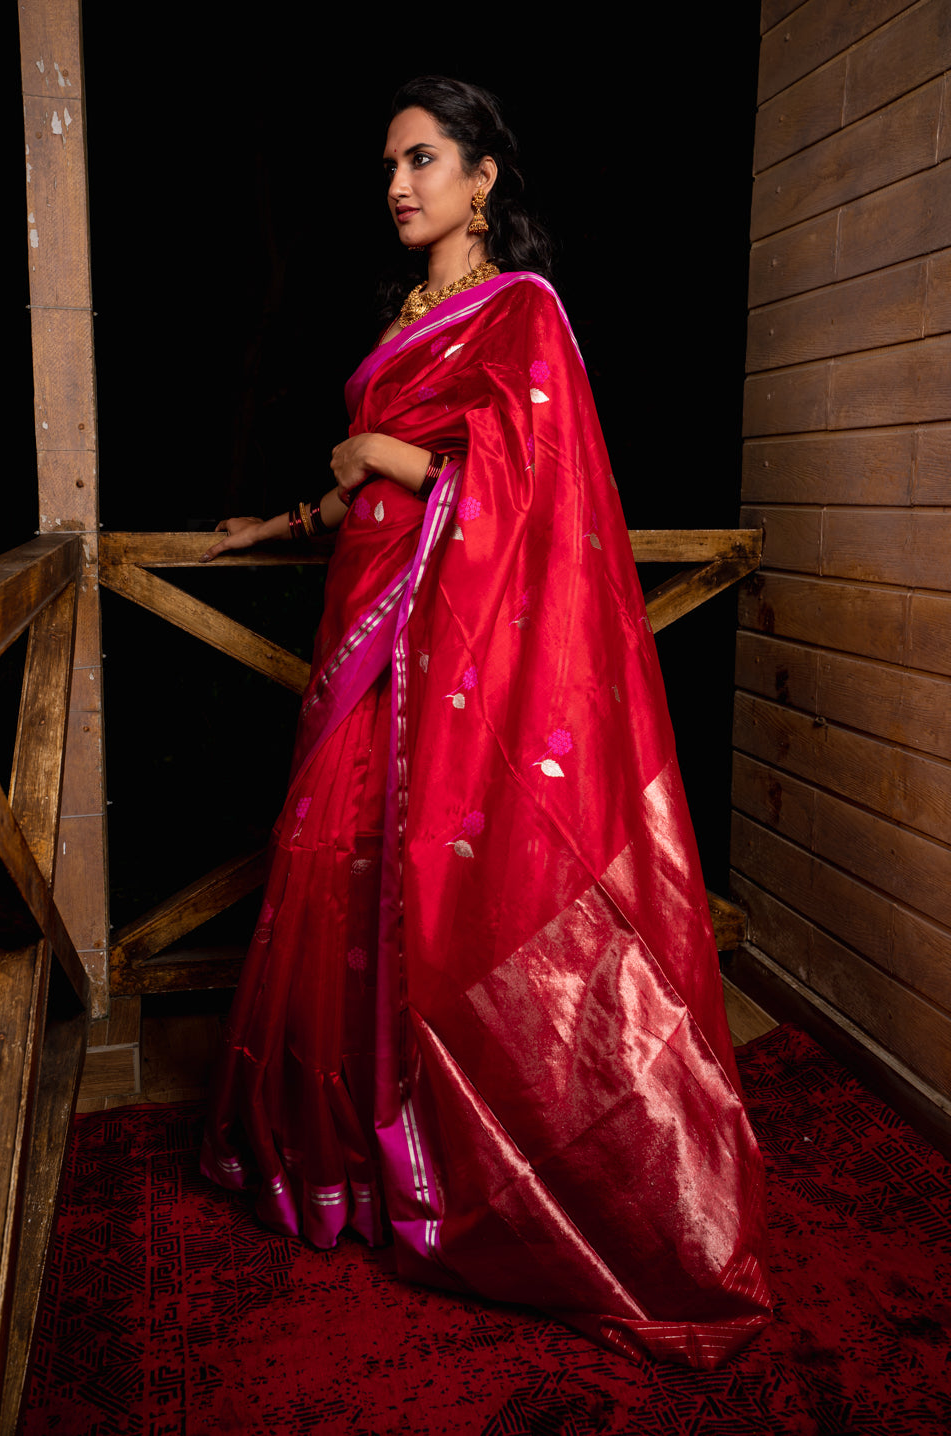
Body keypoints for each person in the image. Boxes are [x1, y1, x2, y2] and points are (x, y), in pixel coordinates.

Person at [200, 76, 770, 1366]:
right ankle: (351, 1158)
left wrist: (381, 459)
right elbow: (372, 481)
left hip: (457, 662)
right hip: (371, 643)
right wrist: (287, 518)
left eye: (421, 160)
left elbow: (532, 478)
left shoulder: (520, 313)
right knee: (343, 884)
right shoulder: (414, 317)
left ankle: (487, 1168)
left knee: (435, 893)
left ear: (482, 180)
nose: (397, 185)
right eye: (389, 166)